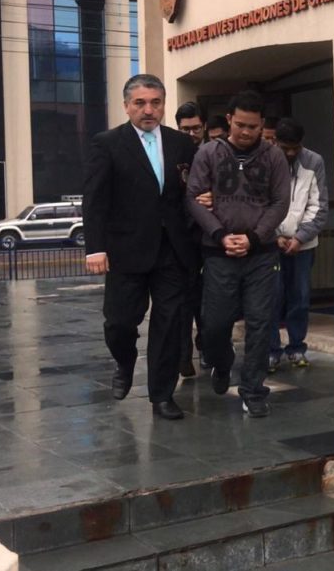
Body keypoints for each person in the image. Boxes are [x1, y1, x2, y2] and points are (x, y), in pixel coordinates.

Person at [82, 74, 198, 420]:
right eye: (140, 103)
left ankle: (162, 395)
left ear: (163, 104)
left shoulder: (181, 144)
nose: (149, 110)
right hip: (126, 250)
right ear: (126, 106)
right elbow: (95, 200)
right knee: (119, 323)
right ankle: (125, 360)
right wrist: (95, 248)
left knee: (169, 323)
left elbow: (190, 190)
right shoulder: (107, 143)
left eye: (155, 102)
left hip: (171, 250)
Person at [186, 90, 290, 418]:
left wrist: (254, 238)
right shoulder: (208, 152)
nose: (246, 132)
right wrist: (220, 235)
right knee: (215, 324)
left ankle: (253, 390)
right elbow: (192, 197)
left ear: (262, 125)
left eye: (253, 127)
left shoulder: (274, 156)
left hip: (261, 254)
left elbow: (280, 202)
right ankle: (221, 361)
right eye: (241, 125)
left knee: (260, 322)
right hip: (218, 253)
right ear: (229, 119)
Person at [268, 118, 328, 372]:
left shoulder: (314, 161)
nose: (291, 153)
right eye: (286, 148)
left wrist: (300, 237)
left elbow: (319, 205)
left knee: (300, 298)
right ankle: (271, 351)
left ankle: (296, 348)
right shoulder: (266, 161)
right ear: (276, 142)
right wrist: (274, 236)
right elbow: (260, 204)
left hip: (303, 245)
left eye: (296, 148)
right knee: (271, 297)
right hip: (271, 245)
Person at [174, 101, 206, 377]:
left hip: (209, 239)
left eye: (196, 128)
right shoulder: (171, 155)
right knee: (183, 302)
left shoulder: (214, 153)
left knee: (207, 302)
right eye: (186, 129)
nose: (191, 134)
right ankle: (184, 357)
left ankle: (206, 347)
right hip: (181, 240)